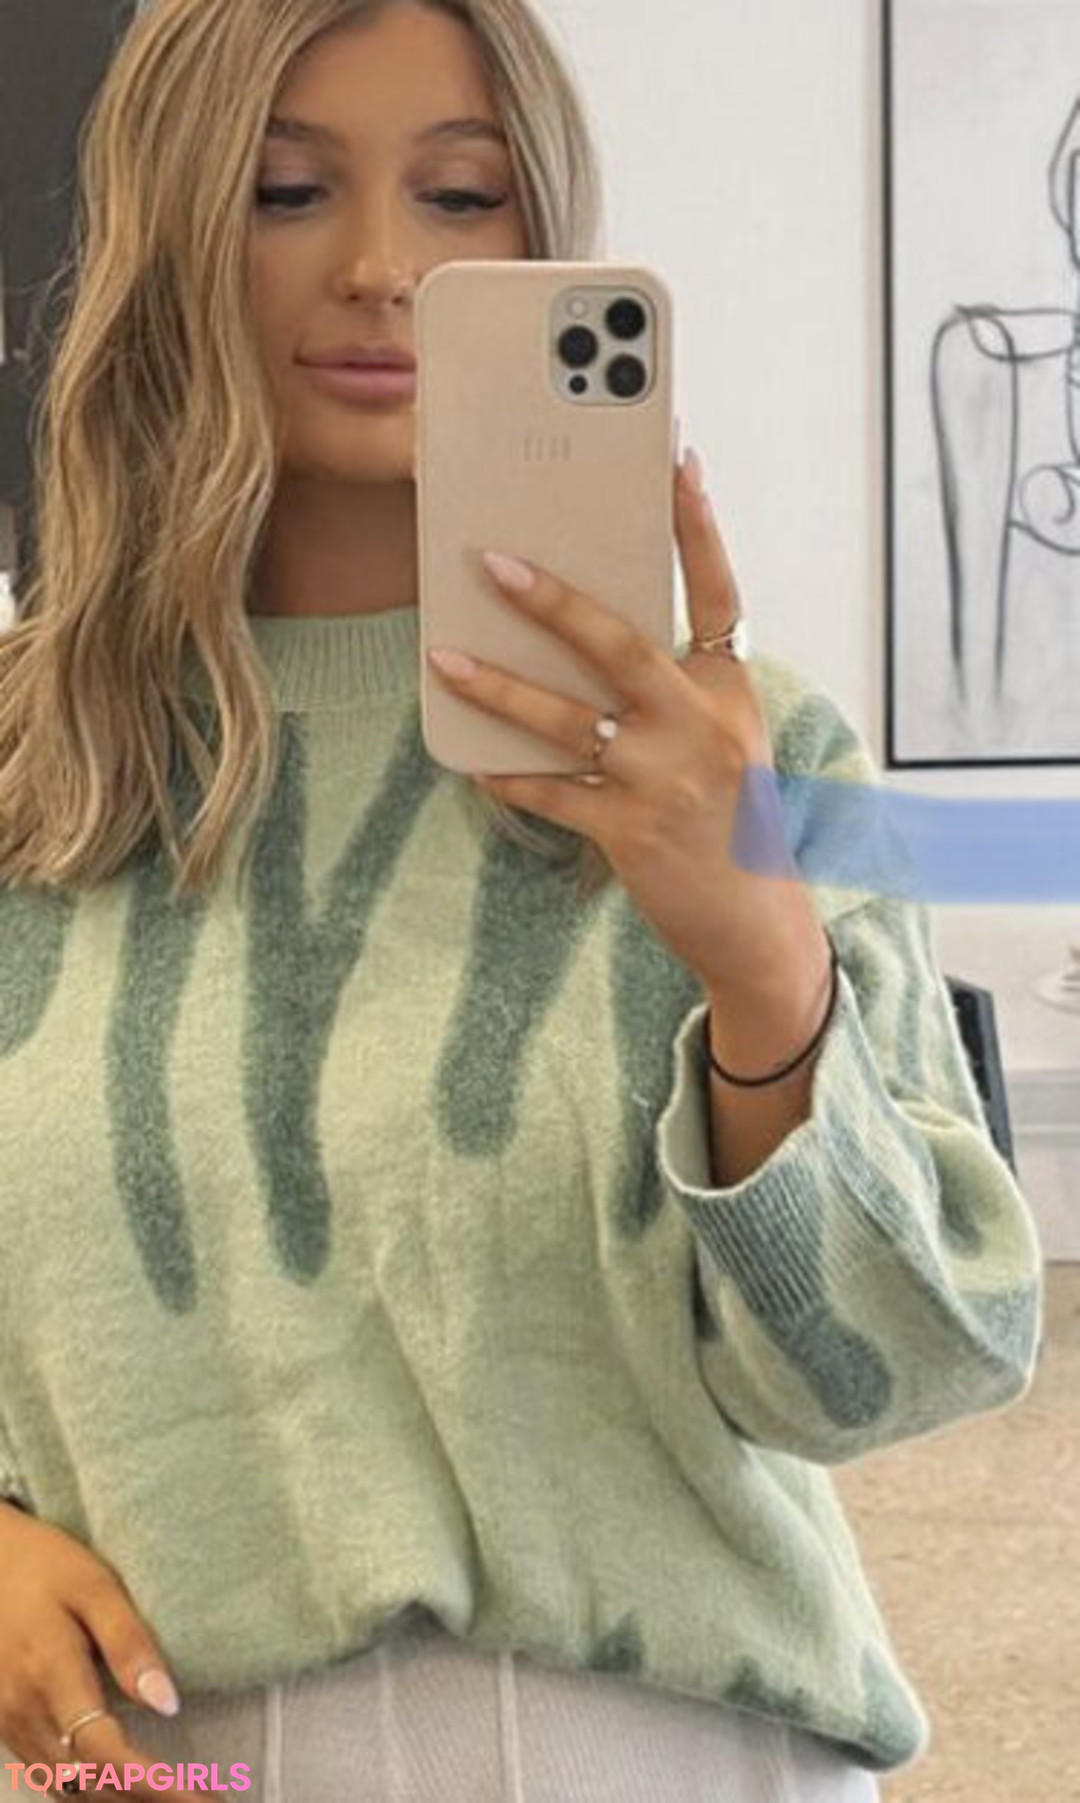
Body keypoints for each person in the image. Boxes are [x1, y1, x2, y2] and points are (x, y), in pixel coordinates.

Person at [0, 1, 1044, 1799]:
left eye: (462, 194)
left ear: (544, 234)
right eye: (285, 191)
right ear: (168, 232)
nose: (382, 267)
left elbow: (898, 1369)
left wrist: (762, 965)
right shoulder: (36, 774)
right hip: (180, 1765)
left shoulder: (743, 750)